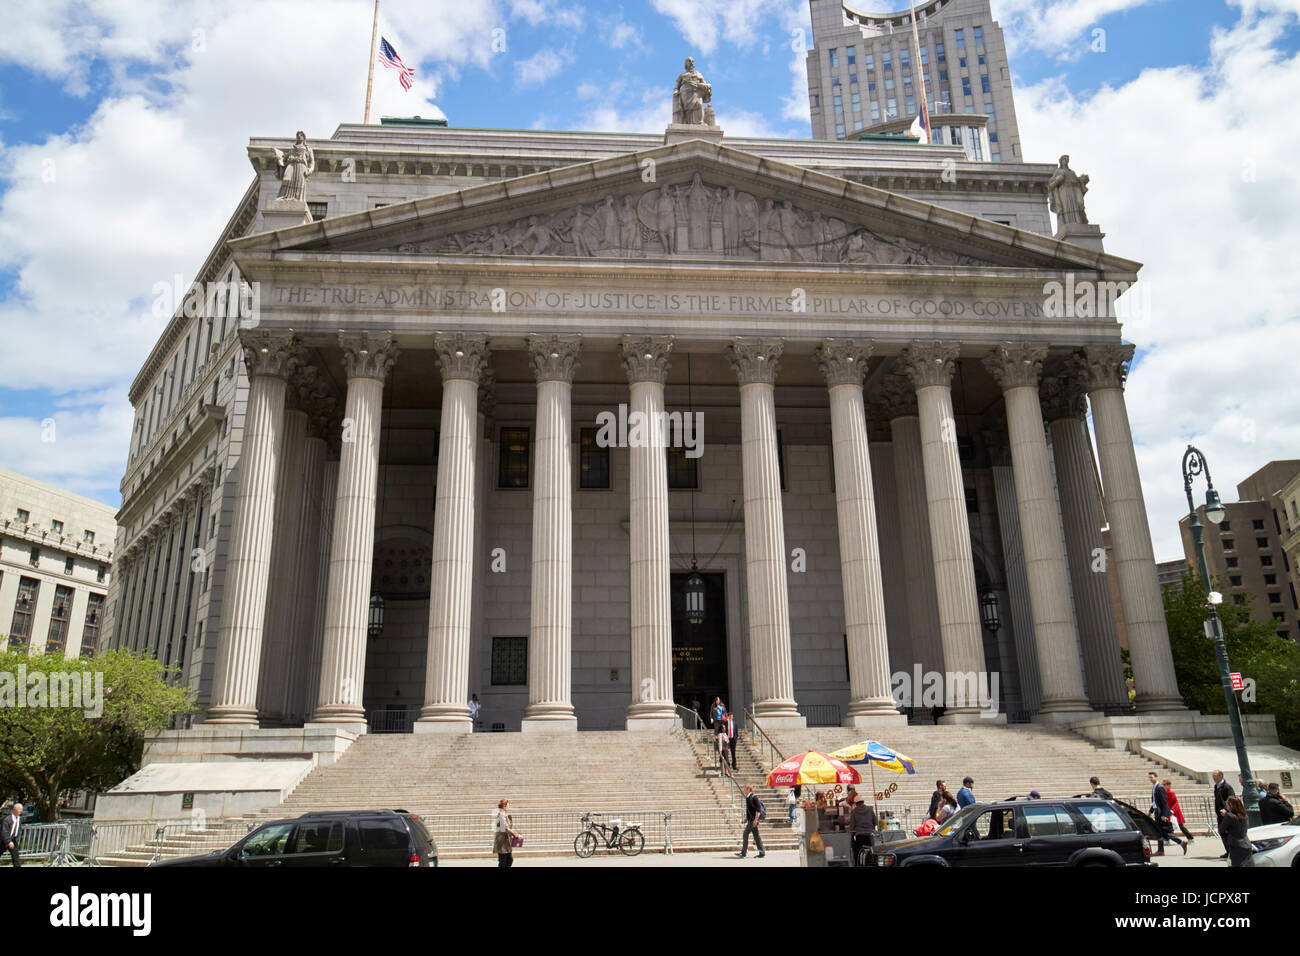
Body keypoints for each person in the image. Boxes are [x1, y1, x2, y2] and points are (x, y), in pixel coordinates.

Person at [1149, 771, 1186, 856]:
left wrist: (1164, 814)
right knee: (1160, 831)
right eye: (1149, 777)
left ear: (1156, 777)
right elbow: (1155, 802)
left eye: (1151, 777)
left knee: (1164, 831)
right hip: (1157, 812)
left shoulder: (1160, 787)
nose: (1150, 779)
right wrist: (1150, 811)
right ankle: (1161, 850)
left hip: (1160, 813)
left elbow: (1164, 802)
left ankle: (1181, 842)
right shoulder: (1155, 787)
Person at [1219, 796, 1254, 867]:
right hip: (1246, 843)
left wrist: (1228, 835)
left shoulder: (1229, 816)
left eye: (1227, 804)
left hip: (1236, 845)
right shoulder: (1245, 816)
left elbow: (1221, 831)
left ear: (1231, 805)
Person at [848, 789, 878, 867]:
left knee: (860, 854)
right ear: (863, 801)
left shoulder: (854, 812)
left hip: (860, 836)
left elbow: (852, 826)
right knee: (870, 853)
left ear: (856, 803)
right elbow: (875, 822)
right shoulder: (870, 810)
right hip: (870, 835)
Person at [1212, 770, 1236, 860]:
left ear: (1220, 776)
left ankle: (1232, 851)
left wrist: (1226, 810)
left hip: (1227, 814)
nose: (1213, 778)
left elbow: (1231, 799)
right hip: (1220, 813)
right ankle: (1228, 851)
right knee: (1222, 832)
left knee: (1228, 832)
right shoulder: (1216, 786)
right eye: (1213, 776)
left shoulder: (1227, 787)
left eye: (1215, 775)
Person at [737, 785, 766, 858]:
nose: (743, 791)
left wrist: (756, 820)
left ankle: (743, 853)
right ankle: (762, 852)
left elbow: (758, 810)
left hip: (753, 820)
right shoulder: (748, 798)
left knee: (745, 834)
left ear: (749, 789)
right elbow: (749, 810)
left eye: (744, 789)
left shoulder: (754, 797)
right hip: (751, 820)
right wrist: (746, 819)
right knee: (756, 836)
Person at [493, 798, 520, 867]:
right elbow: (506, 828)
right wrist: (516, 835)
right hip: (502, 842)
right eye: (508, 805)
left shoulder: (504, 814)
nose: (509, 807)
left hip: (506, 841)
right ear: (504, 806)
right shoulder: (501, 815)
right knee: (503, 860)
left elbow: (509, 826)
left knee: (509, 859)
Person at [2, 803, 21, 868]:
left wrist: (16, 839)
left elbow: (18, 830)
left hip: (13, 839)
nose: (21, 811)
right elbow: (4, 831)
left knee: (16, 858)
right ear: (15, 810)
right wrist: (8, 841)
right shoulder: (7, 819)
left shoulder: (19, 819)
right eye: (19, 809)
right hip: (3, 840)